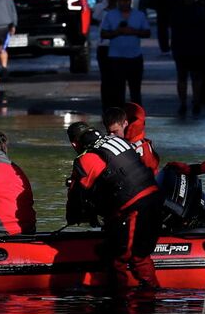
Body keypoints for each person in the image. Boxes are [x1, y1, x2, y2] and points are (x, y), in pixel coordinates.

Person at [66, 122, 163, 290]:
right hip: (155, 197)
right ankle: (149, 296)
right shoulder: (118, 141)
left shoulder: (86, 158)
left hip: (135, 206)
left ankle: (120, 303)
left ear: (74, 144)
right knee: (139, 254)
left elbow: (76, 197)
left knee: (118, 258)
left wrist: (74, 218)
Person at [99, 0, 151, 112]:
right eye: (121, 0)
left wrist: (134, 31)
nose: (124, 3)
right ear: (118, 1)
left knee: (135, 90)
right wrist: (117, 32)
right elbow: (103, 34)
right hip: (116, 58)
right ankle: (119, 116)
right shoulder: (110, 15)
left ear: (130, 1)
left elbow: (147, 33)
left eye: (126, 0)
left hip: (135, 57)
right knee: (118, 90)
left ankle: (137, 116)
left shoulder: (139, 15)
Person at [170, 0, 205, 113]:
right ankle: (183, 103)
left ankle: (196, 101)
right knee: (182, 77)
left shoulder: (200, 10)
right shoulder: (177, 11)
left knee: (196, 77)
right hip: (182, 48)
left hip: (196, 48)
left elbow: (204, 30)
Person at [105, 102, 159, 174]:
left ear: (125, 124)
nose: (111, 135)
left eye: (115, 131)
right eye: (108, 132)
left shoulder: (140, 148)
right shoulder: (142, 144)